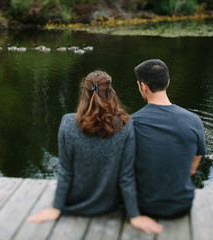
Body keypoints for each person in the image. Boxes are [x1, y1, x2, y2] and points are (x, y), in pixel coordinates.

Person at [27, 70, 163, 233]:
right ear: (111, 93)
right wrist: (133, 215)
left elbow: (65, 172)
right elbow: (126, 176)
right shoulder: (125, 124)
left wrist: (56, 208)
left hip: (75, 204)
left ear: (84, 95)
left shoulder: (67, 123)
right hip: (110, 205)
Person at [132, 59, 206, 219]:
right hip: (182, 205)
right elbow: (192, 169)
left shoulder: (132, 122)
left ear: (143, 86)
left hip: (144, 206)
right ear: (168, 82)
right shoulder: (194, 121)